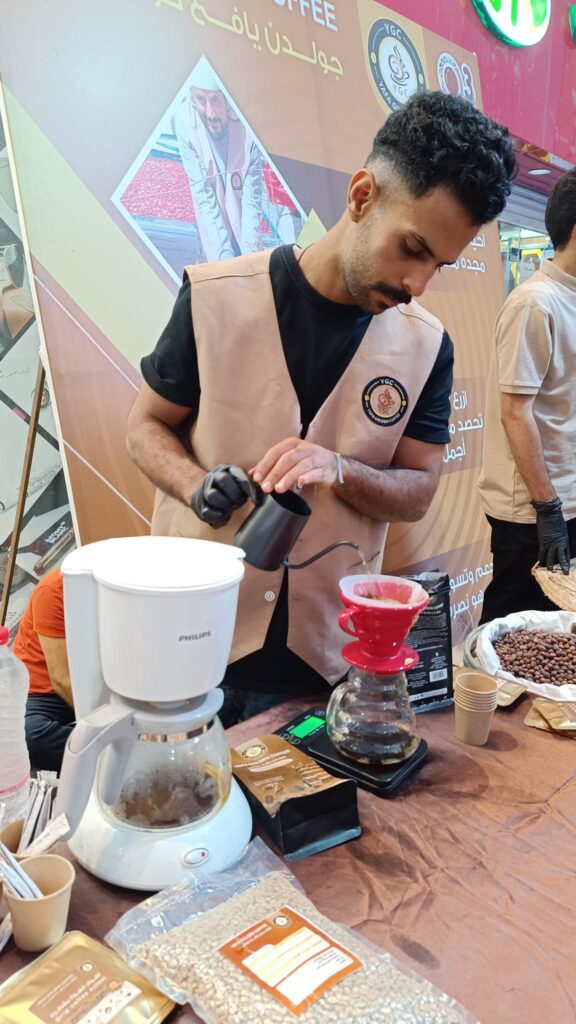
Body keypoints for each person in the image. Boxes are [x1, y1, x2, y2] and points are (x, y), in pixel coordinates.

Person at [126, 90, 516, 726]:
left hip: (326, 664)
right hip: (192, 641)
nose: (417, 285)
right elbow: (145, 426)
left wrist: (340, 469)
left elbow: (419, 490)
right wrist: (196, 485)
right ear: (362, 196)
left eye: (438, 266)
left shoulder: (427, 347)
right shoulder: (214, 297)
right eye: (412, 248)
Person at [478, 168, 576, 623]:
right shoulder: (535, 303)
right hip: (532, 510)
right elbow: (516, 414)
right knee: (512, 629)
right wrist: (547, 508)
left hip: (566, 499)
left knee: (557, 631)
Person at [174, 64, 264, 262]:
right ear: (191, 98)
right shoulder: (184, 121)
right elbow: (204, 196)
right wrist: (224, 257)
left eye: (215, 100)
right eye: (200, 99)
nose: (210, 113)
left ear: (227, 100)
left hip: (246, 235)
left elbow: (252, 199)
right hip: (215, 239)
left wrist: (249, 260)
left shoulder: (248, 120)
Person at [13, 569, 75, 772]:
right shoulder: (54, 589)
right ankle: (119, 750)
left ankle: (112, 749)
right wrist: (104, 727)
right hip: (43, 693)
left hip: (96, 684)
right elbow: (61, 680)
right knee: (29, 737)